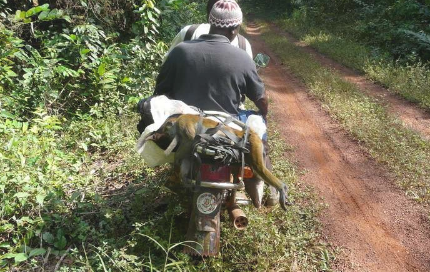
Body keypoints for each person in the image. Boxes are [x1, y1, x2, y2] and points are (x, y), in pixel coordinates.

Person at [153, 0, 278, 207]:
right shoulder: (242, 57)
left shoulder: (181, 51)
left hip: (188, 124)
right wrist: (263, 113)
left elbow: (161, 90)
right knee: (258, 135)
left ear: (210, 21)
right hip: (226, 125)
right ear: (235, 28)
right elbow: (261, 98)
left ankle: (176, 174)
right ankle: (264, 189)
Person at [165, 0, 253, 59]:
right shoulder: (243, 45)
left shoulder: (188, 32)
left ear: (208, 15)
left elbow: (167, 66)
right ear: (236, 25)